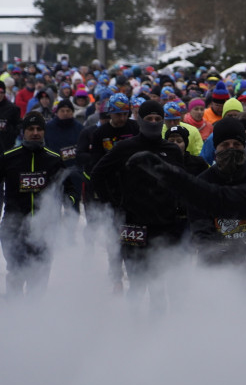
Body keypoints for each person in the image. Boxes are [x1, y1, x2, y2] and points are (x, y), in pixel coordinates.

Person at [90, 100, 187, 309]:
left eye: (158, 119)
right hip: (133, 224)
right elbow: (97, 174)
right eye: (149, 119)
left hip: (165, 224)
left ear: (163, 122)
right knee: (137, 282)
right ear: (140, 121)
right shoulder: (126, 147)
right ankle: (133, 329)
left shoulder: (171, 150)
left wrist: (179, 210)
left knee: (160, 284)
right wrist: (114, 203)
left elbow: (182, 183)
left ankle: (157, 333)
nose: (153, 122)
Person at [0, 112, 73, 296]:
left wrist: (68, 208)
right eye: (31, 129)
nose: (35, 133)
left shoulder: (54, 159)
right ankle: (15, 317)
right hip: (14, 227)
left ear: (44, 132)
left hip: (45, 230)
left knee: (39, 278)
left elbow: (69, 190)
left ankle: (36, 318)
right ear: (23, 132)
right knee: (16, 274)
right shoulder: (8, 158)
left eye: (39, 129)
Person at [189, 117, 246, 267]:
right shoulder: (202, 183)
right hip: (215, 265)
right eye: (225, 144)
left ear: (244, 147)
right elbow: (199, 226)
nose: (231, 149)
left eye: (237, 144)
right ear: (216, 147)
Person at [0, 80, 22, 151]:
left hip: (6, 147)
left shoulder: (13, 108)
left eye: (1, 92)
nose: (0, 95)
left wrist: (11, 133)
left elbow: (19, 125)